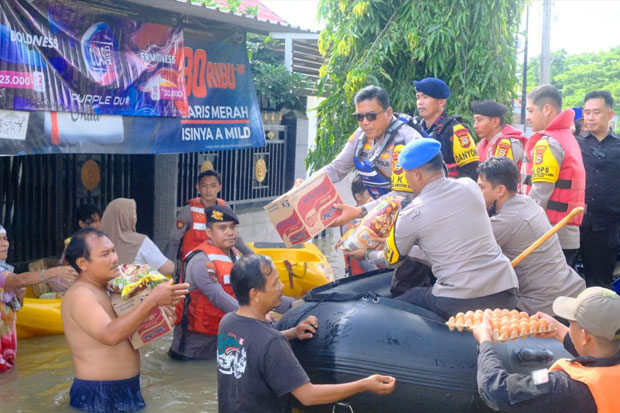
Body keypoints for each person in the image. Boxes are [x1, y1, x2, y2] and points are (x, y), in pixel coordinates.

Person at [360, 138, 519, 320]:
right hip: (506, 291)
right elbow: (448, 236)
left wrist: (366, 253)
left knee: (404, 300)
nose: (405, 178)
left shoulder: (411, 213)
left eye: (405, 173)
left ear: (417, 174)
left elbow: (391, 259)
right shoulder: (470, 186)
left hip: (460, 301)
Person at [217, 254, 396, 412]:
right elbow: (308, 396)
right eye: (275, 283)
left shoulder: (227, 323)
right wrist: (363, 384)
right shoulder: (272, 342)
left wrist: (292, 333)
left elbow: (253, 344)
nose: (281, 287)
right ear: (255, 294)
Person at [61, 227, 188, 412]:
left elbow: (129, 333)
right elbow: (110, 334)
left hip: (126, 388)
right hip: (99, 393)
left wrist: (159, 314)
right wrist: (152, 300)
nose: (114, 258)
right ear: (83, 263)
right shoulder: (81, 294)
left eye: (113, 251)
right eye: (105, 254)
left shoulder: (108, 289)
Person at [169, 205, 294, 360]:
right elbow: (217, 296)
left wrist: (292, 306)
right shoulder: (201, 261)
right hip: (193, 350)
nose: (230, 232)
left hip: (225, 339)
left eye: (233, 227)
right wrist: (257, 315)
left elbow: (257, 292)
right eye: (222, 228)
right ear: (209, 232)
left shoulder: (235, 257)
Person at [472, 287, 620, 412]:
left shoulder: (563, 387)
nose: (569, 325)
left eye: (570, 322)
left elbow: (497, 390)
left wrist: (485, 342)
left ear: (585, 336)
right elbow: (601, 361)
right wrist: (560, 332)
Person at [477, 158, 585, 314]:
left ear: (500, 190)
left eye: (481, 187)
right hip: (569, 289)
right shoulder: (528, 202)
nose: (478, 194)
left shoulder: (505, 221)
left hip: (542, 305)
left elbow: (464, 252)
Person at [319, 85, 423, 200]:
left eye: (371, 116)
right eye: (359, 117)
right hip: (383, 205)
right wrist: (305, 186)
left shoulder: (408, 140)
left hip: (414, 208)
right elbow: (336, 169)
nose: (365, 122)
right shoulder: (360, 136)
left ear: (388, 113)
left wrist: (363, 210)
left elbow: (405, 195)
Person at [520, 84, 586, 266]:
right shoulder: (567, 138)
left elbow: (539, 195)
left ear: (547, 109)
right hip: (566, 235)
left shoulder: (548, 143)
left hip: (548, 235)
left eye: (531, 110)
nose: (528, 117)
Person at [0, 225, 77, 372]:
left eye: (5, 239)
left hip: (6, 342)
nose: (4, 244)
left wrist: (20, 298)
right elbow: (19, 280)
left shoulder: (5, 269)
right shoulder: (5, 274)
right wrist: (52, 273)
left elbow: (13, 307)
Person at [578, 90, 620, 289]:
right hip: (575, 224)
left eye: (596, 112)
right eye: (587, 113)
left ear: (610, 114)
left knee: (600, 286)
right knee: (570, 280)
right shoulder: (576, 145)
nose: (590, 118)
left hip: (607, 228)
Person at [164, 169, 253, 262]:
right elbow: (174, 241)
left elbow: (234, 237)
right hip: (194, 264)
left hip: (220, 263)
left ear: (219, 188)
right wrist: (165, 269)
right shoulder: (188, 211)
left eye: (213, 186)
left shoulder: (225, 208)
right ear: (198, 188)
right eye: (204, 186)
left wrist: (252, 256)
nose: (208, 190)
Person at [414, 77, 479, 180]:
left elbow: (471, 171)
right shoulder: (417, 129)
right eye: (418, 97)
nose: (420, 102)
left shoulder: (455, 130)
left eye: (425, 97)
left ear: (441, 102)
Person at [101, 198, 175, 275]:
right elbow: (167, 269)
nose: (135, 217)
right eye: (133, 214)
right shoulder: (140, 241)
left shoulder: (97, 242)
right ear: (126, 217)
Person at [340, 175, 378, 276]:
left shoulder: (382, 215)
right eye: (369, 194)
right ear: (358, 197)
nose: (375, 198)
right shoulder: (349, 223)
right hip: (361, 279)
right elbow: (362, 261)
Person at [472, 99, 527, 169]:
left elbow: (498, 177)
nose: (475, 126)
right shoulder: (482, 142)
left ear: (495, 122)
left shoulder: (509, 143)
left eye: (479, 120)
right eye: (475, 120)